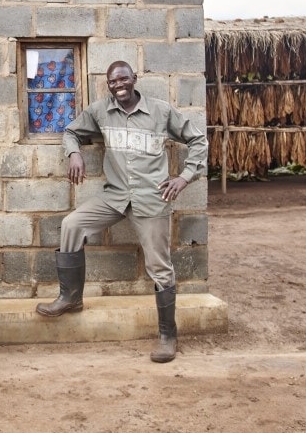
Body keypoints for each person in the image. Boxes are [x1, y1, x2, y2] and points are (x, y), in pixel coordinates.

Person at [35, 61, 208, 363]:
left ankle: (168, 336)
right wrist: (74, 153)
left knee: (160, 267)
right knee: (72, 224)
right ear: (108, 84)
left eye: (124, 79)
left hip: (152, 200)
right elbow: (71, 131)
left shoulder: (161, 112)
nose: (119, 85)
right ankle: (71, 298)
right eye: (113, 82)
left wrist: (184, 177)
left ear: (134, 79)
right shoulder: (101, 111)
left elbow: (198, 139)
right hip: (115, 197)